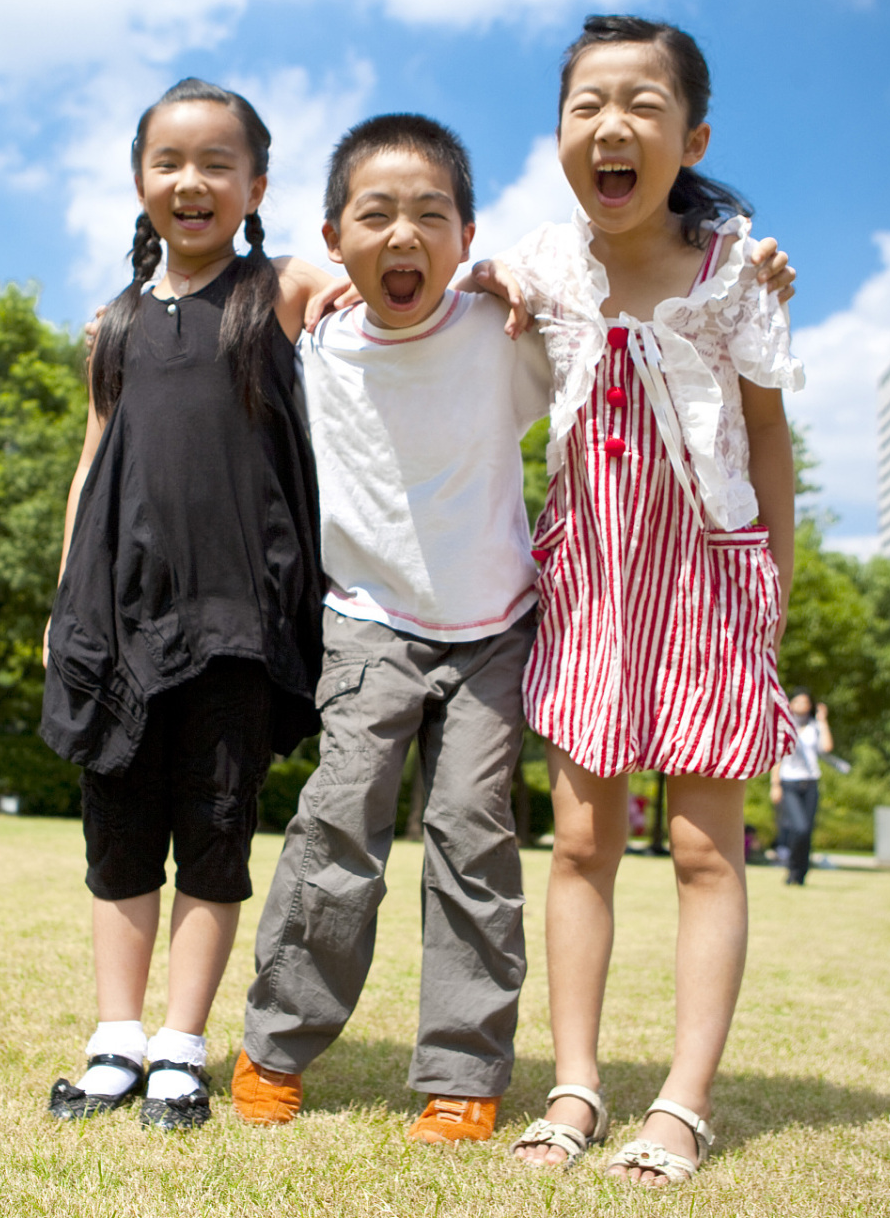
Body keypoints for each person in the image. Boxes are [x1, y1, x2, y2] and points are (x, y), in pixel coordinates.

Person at [474, 16, 804, 1186]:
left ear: (691, 138)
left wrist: (771, 594)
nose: (610, 125)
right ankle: (572, 1085)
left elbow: (768, 438)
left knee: (706, 853)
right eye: (586, 104)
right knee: (578, 843)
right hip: (588, 580)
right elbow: (447, 287)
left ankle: (681, 1102)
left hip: (708, 583)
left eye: (641, 104)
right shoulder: (539, 265)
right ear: (560, 131)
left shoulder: (737, 276)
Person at [231, 115, 551, 1145]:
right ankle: (275, 1046)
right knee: (336, 826)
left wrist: (523, 280)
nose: (403, 234)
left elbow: (607, 317)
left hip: (493, 628)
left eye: (430, 214)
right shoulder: (314, 346)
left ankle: (462, 1070)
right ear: (334, 237)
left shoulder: (503, 332)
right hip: (366, 622)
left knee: (471, 834)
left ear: (466, 236)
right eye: (375, 215)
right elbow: (219, 288)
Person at [38, 77, 338, 1132]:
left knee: (214, 833)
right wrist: (62, 600)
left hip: (236, 622)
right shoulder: (112, 325)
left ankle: (178, 1045)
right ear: (139, 183)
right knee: (117, 833)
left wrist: (483, 276)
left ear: (256, 184)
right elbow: (90, 464)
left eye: (218, 162)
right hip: (116, 616)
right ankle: (115, 1037)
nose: (191, 180)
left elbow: (395, 279)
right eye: (168, 161)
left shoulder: (282, 289)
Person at [771, 690, 832, 885]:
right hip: (789, 782)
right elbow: (778, 756)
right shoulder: (785, 725)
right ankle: (792, 867)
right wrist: (775, 784)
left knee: (807, 831)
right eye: (797, 701)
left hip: (810, 783)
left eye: (805, 702)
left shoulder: (815, 727)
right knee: (799, 828)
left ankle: (800, 874)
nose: (802, 705)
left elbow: (827, 748)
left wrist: (823, 721)